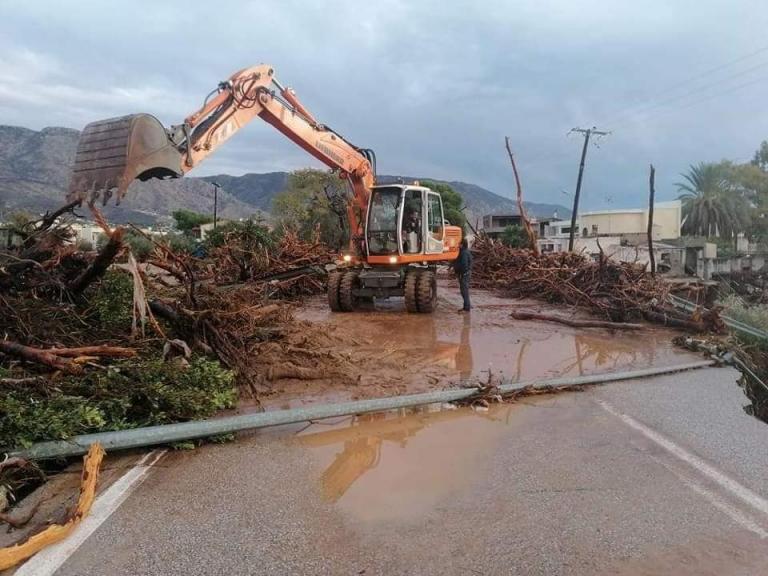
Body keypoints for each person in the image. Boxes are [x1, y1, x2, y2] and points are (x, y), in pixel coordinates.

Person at [453, 238, 472, 312]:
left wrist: (460, 272)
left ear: (462, 244)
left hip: (464, 274)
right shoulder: (465, 252)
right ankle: (466, 306)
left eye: (459, 244)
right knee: (463, 291)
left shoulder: (464, 253)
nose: (458, 245)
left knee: (464, 291)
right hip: (465, 274)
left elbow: (464, 264)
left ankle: (467, 308)